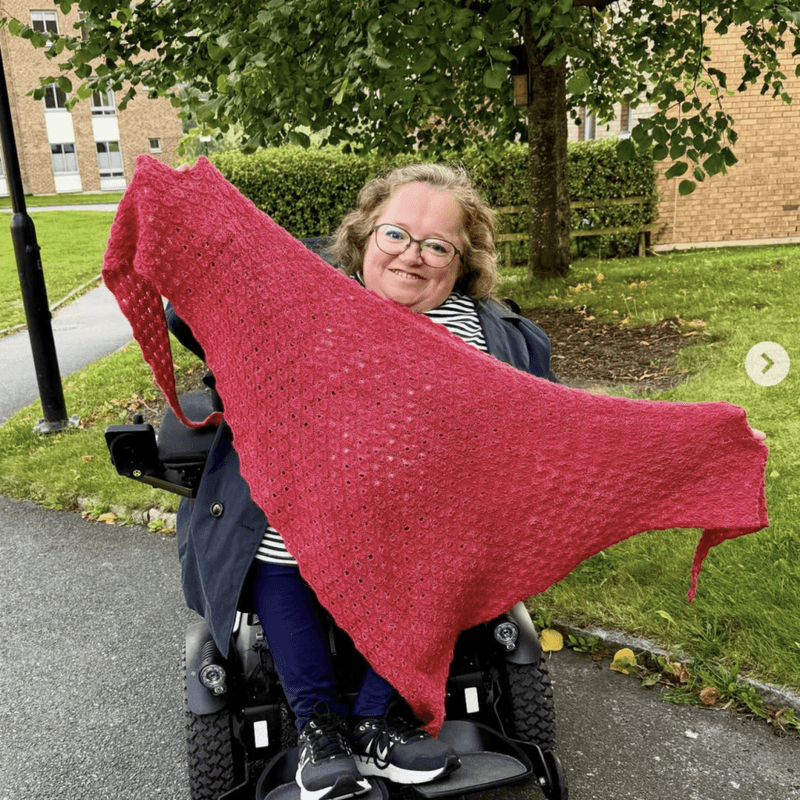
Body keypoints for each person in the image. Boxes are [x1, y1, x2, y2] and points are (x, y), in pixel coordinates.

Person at [167, 162, 763, 800]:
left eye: (437, 245)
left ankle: (377, 719)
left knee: (452, 557)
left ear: (464, 259)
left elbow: (561, 427)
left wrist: (707, 446)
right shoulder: (298, 305)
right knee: (279, 546)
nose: (412, 256)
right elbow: (196, 307)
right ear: (365, 236)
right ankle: (319, 730)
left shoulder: (497, 337)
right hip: (304, 510)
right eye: (395, 235)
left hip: (427, 522)